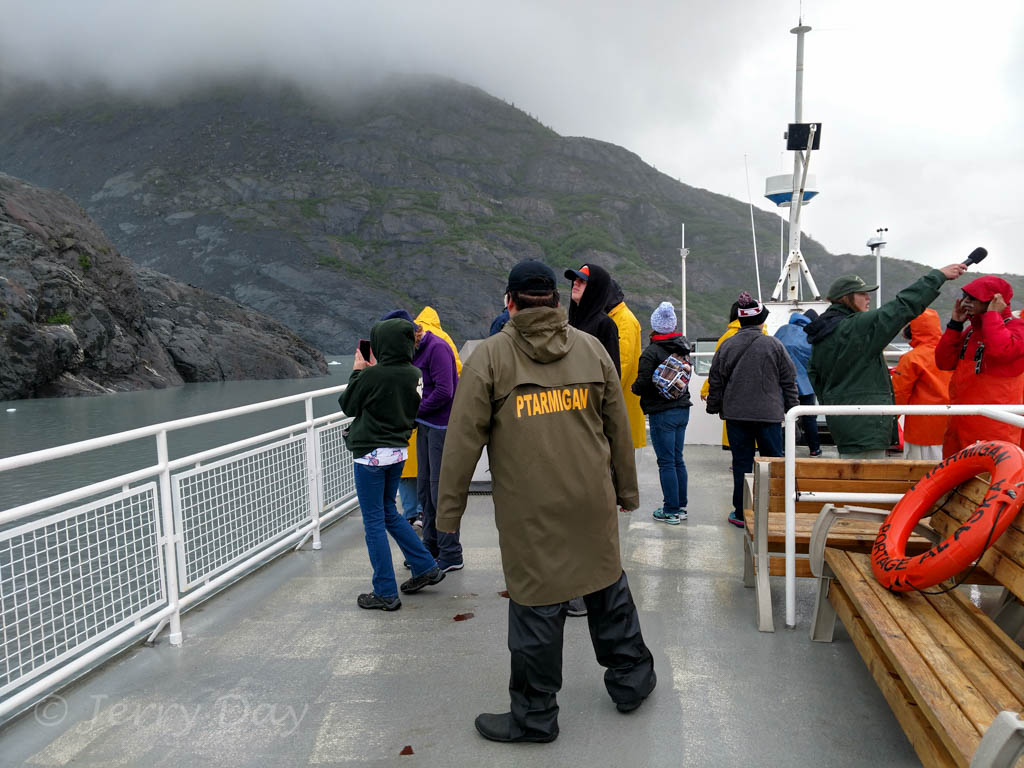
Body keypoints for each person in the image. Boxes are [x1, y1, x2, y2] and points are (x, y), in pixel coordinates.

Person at [435, 259, 655, 744]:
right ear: (556, 300)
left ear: (509, 302)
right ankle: (633, 683)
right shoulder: (591, 348)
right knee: (607, 590)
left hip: (530, 513)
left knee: (537, 607)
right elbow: (618, 429)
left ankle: (535, 717)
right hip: (592, 502)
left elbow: (461, 444)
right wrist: (626, 491)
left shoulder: (489, 358)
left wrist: (447, 516)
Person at [337, 318, 445, 611]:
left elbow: (348, 405)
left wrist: (357, 372)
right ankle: (426, 566)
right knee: (388, 512)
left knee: (373, 521)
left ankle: (385, 590)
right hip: (398, 453)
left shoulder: (373, 375)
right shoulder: (414, 373)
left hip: (370, 456)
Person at [805, 264, 967, 459]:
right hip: (867, 424)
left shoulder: (823, 332)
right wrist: (938, 276)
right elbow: (901, 307)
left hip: (844, 421)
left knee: (853, 472)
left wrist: (834, 407)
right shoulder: (857, 328)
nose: (868, 298)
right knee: (868, 475)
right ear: (846, 298)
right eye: (862, 293)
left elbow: (814, 375)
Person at [381, 308, 464, 573]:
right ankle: (430, 547)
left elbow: (444, 391)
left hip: (442, 427)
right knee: (425, 490)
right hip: (426, 425)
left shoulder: (437, 348)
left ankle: (451, 553)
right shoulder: (414, 350)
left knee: (440, 491)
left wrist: (413, 411)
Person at [706, 292, 798, 528]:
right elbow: (789, 380)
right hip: (769, 416)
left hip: (736, 416)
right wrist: (793, 410)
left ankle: (741, 511)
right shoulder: (774, 345)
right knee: (774, 463)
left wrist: (714, 406)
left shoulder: (727, 345)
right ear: (761, 320)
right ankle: (775, 511)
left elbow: (716, 380)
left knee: (742, 464)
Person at [935, 276, 1024, 457]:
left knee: (992, 470)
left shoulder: (1018, 328)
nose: (965, 302)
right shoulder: (971, 331)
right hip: (959, 420)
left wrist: (992, 315)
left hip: (996, 424)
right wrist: (955, 324)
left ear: (995, 301)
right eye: (965, 296)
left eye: (973, 298)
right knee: (953, 470)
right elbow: (944, 362)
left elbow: (1002, 352)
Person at [631, 301, 691, 524]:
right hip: (682, 409)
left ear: (654, 325)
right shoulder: (682, 347)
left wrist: (633, 388)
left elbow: (643, 383)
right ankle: (680, 506)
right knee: (677, 459)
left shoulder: (651, 352)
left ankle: (671, 510)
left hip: (662, 412)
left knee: (666, 462)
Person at [700, 302, 767, 450]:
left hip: (735, 394)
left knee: (739, 437)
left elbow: (716, 369)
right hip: (760, 394)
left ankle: (741, 458)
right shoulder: (766, 335)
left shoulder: (728, 337)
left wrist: (706, 389)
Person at [890, 309, 953, 461]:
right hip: (950, 426)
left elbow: (899, 394)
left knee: (920, 470)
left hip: (921, 430)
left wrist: (888, 421)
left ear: (913, 330)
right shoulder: (950, 352)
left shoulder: (912, 358)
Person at [774, 309, 822, 457]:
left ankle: (782, 449)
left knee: (782, 417)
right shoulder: (810, 335)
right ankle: (814, 449)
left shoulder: (783, 330)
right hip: (805, 385)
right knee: (809, 417)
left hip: (781, 383)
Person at [605, 280, 646, 450]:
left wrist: (605, 396)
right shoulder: (616, 317)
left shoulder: (624, 320)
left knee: (623, 449)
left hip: (622, 400)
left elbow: (623, 362)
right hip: (620, 400)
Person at [565, 263, 621, 376]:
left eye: (582, 281)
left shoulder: (605, 324)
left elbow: (613, 372)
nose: (575, 283)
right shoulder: (570, 321)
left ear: (594, 288)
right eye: (575, 279)